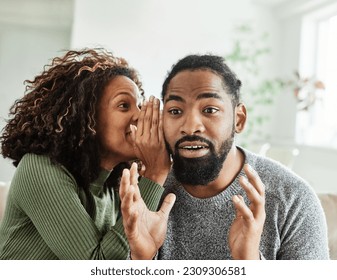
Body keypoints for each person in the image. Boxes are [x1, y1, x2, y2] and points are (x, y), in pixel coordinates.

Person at [119, 54, 330, 260]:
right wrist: (141, 260)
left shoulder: (293, 199)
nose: (191, 126)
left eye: (210, 109)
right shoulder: (140, 195)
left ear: (238, 120)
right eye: (175, 111)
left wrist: (250, 264)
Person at [0, 48, 173, 260]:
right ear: (87, 117)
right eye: (124, 105)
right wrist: (155, 175)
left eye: (139, 105)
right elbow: (94, 266)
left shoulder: (114, 188)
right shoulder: (39, 168)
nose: (139, 115)